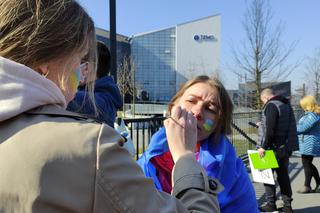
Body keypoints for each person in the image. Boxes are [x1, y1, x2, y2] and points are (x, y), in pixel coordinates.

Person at [0, 1, 222, 212]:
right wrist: (185, 158)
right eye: (79, 59)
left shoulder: (226, 161)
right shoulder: (92, 149)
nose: (197, 112)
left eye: (210, 107)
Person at [137, 76, 259, 213]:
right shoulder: (144, 164)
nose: (197, 112)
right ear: (172, 108)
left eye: (210, 109)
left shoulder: (233, 174)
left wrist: (183, 156)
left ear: (218, 124)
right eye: (191, 101)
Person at [257, 88, 298, 213]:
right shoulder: (286, 104)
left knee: (267, 176)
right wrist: (262, 125)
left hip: (272, 147)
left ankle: (270, 204)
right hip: (285, 146)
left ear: (266, 97)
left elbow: (271, 129)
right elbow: (281, 124)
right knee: (283, 176)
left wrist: (264, 146)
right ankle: (287, 206)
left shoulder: (271, 106)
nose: (264, 103)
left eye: (263, 101)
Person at [67, 41, 122, 128]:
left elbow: (64, 98)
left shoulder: (101, 102)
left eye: (74, 62)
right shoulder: (107, 96)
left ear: (86, 68)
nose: (70, 68)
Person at [296, 95, 320, 193]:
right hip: (308, 142)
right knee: (307, 163)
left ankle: (307, 186)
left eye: (302, 104)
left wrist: (291, 128)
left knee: (306, 163)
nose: (301, 106)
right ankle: (315, 184)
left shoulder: (312, 115)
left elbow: (303, 128)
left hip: (310, 143)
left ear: (307, 104)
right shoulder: (311, 114)